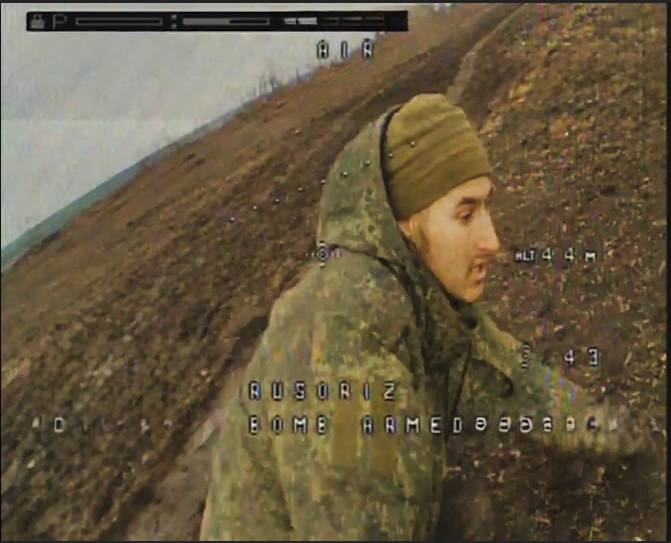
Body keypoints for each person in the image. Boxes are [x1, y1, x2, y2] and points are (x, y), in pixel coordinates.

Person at [199, 94, 653, 541]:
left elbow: (511, 378)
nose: (492, 241)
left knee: (465, 510)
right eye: (465, 215)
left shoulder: (409, 289)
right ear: (404, 225)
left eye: (486, 207)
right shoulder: (349, 366)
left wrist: (613, 431)